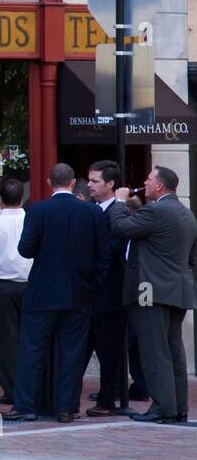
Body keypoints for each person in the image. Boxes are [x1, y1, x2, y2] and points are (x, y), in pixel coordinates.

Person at [8, 164, 111, 423]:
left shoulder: (38, 210)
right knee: (72, 353)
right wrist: (93, 285)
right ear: (73, 181)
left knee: (32, 351)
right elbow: (103, 255)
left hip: (42, 292)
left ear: (48, 182)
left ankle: (25, 406)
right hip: (78, 294)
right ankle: (66, 407)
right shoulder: (91, 212)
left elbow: (25, 249)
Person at [109, 166, 197, 423]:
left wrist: (118, 201)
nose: (144, 183)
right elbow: (191, 258)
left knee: (154, 350)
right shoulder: (187, 214)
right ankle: (177, 408)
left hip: (150, 291)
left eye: (148, 179)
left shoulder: (156, 210)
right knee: (173, 351)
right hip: (177, 290)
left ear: (159, 186)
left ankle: (161, 408)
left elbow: (121, 227)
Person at [83, 160, 132, 417]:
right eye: (89, 180)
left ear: (110, 184)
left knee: (110, 351)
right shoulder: (89, 210)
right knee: (82, 348)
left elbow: (115, 250)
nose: (89, 185)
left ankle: (108, 399)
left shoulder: (119, 212)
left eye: (95, 181)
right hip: (88, 294)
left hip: (111, 293)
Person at [0, 177, 31, 407]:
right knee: (31, 339)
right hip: (29, 285)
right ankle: (31, 386)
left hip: (1, 287)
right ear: (21, 198)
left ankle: (11, 389)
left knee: (6, 341)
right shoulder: (32, 220)